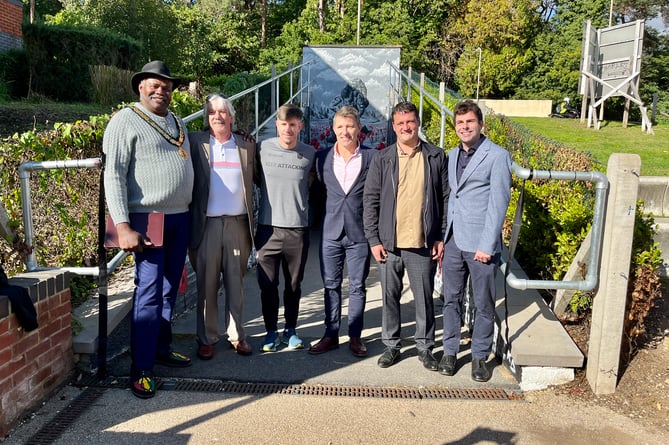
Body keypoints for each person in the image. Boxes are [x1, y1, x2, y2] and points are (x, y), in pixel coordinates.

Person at [103, 60, 194, 399]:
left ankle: (161, 347)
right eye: (155, 85)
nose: (162, 91)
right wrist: (124, 226)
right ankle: (140, 368)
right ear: (141, 86)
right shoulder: (124, 121)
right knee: (149, 292)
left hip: (179, 217)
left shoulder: (175, 121)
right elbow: (113, 174)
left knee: (170, 288)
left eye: (167, 86)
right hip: (148, 220)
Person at [362, 101, 448, 371]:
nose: (405, 127)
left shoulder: (435, 156)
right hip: (389, 244)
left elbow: (445, 199)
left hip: (422, 242)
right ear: (393, 126)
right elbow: (371, 199)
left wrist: (441, 236)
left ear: (418, 122)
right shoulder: (383, 158)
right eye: (400, 123)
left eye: (410, 121)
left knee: (423, 298)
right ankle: (391, 345)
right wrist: (373, 239)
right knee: (390, 296)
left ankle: (425, 347)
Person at [440, 99, 512, 382]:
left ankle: (479, 356)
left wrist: (487, 243)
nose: (464, 127)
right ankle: (449, 350)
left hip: (481, 243)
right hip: (454, 240)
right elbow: (452, 198)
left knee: (483, 303)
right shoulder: (452, 155)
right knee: (451, 300)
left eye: (470, 121)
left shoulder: (497, 155)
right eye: (459, 123)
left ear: (481, 124)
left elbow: (499, 202)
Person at [188, 94, 255, 360]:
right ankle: (207, 337)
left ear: (231, 117)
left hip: (238, 224)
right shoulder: (196, 142)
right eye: (212, 112)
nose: (218, 116)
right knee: (206, 284)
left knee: (236, 284)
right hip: (207, 226)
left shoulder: (246, 145)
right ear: (207, 118)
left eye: (223, 112)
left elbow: (258, 178)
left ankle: (237, 335)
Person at [308, 106, 375, 358]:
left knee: (357, 286)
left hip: (359, 233)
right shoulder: (322, 157)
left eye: (349, 126)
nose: (344, 132)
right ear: (333, 129)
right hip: (330, 232)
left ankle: (355, 336)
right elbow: (320, 191)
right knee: (330, 285)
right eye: (340, 127)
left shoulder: (371, 158)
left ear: (358, 129)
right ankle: (331, 334)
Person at [255, 103, 316, 352]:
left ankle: (291, 330)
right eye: (283, 124)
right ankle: (271, 332)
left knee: (293, 285)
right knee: (267, 285)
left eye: (293, 124)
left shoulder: (310, 153)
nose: (288, 129)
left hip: (297, 230)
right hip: (268, 230)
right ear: (277, 125)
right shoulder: (261, 148)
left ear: (300, 126)